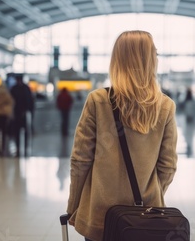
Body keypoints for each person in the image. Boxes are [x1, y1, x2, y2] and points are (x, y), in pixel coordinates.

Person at [66, 30, 178, 241]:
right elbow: (168, 166)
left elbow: (80, 161)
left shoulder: (98, 101)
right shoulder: (165, 106)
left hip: (100, 218)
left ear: (117, 59)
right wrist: (149, 193)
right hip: (146, 219)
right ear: (150, 60)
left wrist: (74, 206)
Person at [10, 75, 34, 157]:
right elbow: (30, 100)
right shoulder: (25, 88)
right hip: (19, 113)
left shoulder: (15, 89)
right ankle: (19, 147)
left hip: (22, 113)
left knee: (23, 131)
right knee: (19, 131)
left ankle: (23, 146)